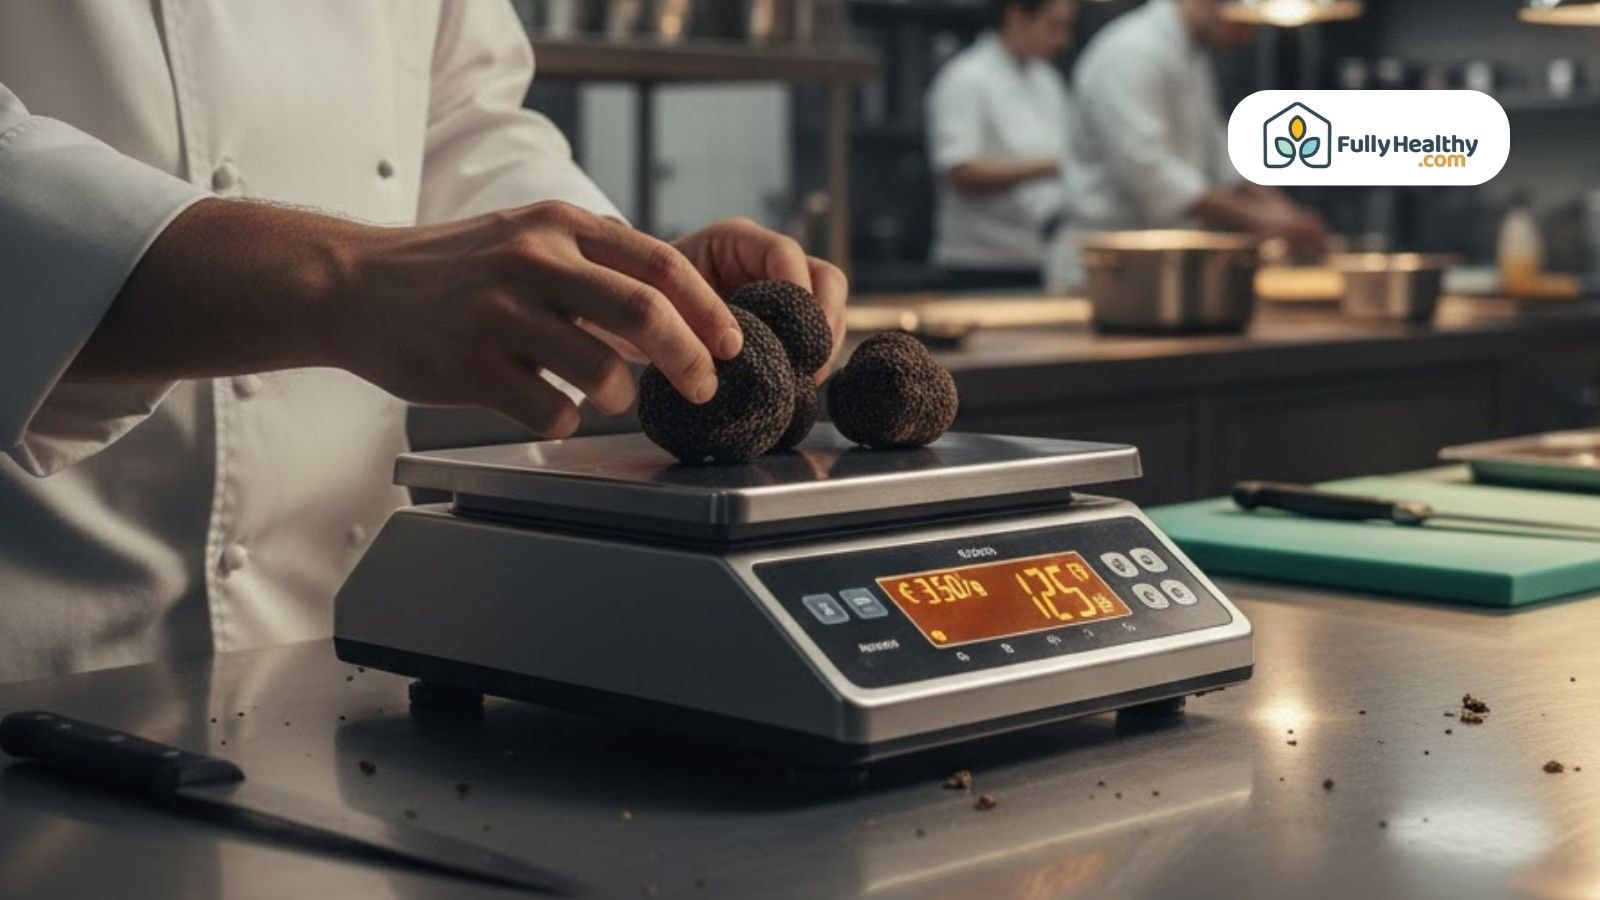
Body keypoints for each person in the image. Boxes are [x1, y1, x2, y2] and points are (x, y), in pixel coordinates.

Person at [0, 1, 848, 684]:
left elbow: (462, 124)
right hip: (38, 652)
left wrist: (633, 284)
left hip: (343, 649)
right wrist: (344, 282)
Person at [1068, 0, 1328, 251]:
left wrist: (1279, 208)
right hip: (1108, 259)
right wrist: (1259, 216)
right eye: (1245, 24)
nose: (1248, 38)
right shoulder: (1131, 53)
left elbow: (1220, 154)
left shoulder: (1191, 56)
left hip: (1168, 253)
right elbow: (1150, 175)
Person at [925, 0, 1078, 288]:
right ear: (1017, 16)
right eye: (1054, 26)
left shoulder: (1048, 81)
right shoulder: (965, 79)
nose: (1062, 40)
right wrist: (1051, 166)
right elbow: (960, 172)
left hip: (1041, 255)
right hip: (977, 263)